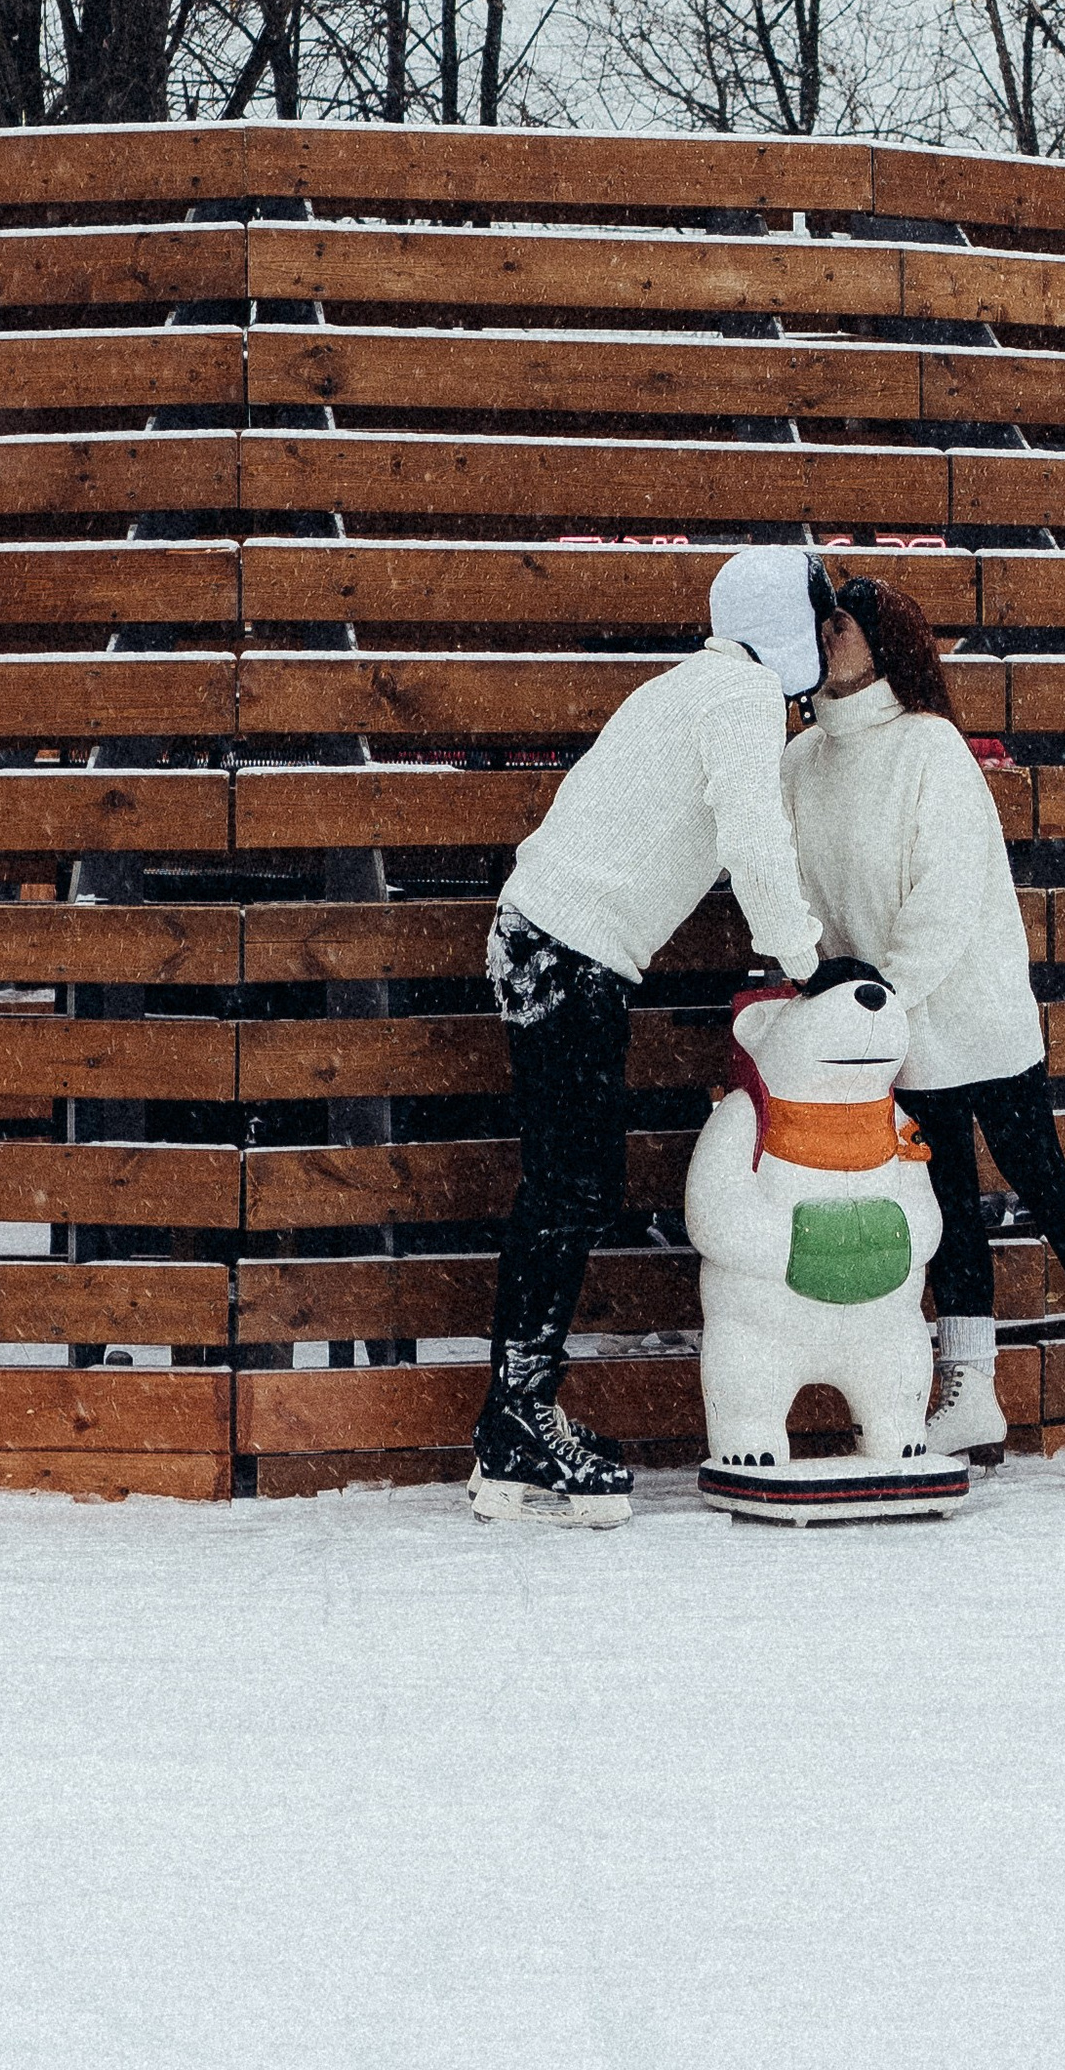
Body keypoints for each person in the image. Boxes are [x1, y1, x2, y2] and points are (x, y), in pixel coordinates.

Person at [782, 572, 1065, 1476]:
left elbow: (946, 899)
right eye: (824, 625)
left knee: (1041, 1180)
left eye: (843, 625)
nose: (829, 637)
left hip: (972, 1010)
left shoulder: (931, 747)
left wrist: (883, 992)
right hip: (890, 1026)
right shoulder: (801, 762)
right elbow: (800, 889)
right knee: (947, 1203)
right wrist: (830, 987)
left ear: (886, 645)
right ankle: (971, 1390)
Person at [470, 548, 828, 1523]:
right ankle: (516, 1424)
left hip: (544, 937)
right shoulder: (742, 695)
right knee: (570, 1187)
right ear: (788, 627)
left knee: (566, 1184)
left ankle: (514, 1420)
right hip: (569, 950)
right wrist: (804, 957)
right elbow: (753, 840)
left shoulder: (691, 684)